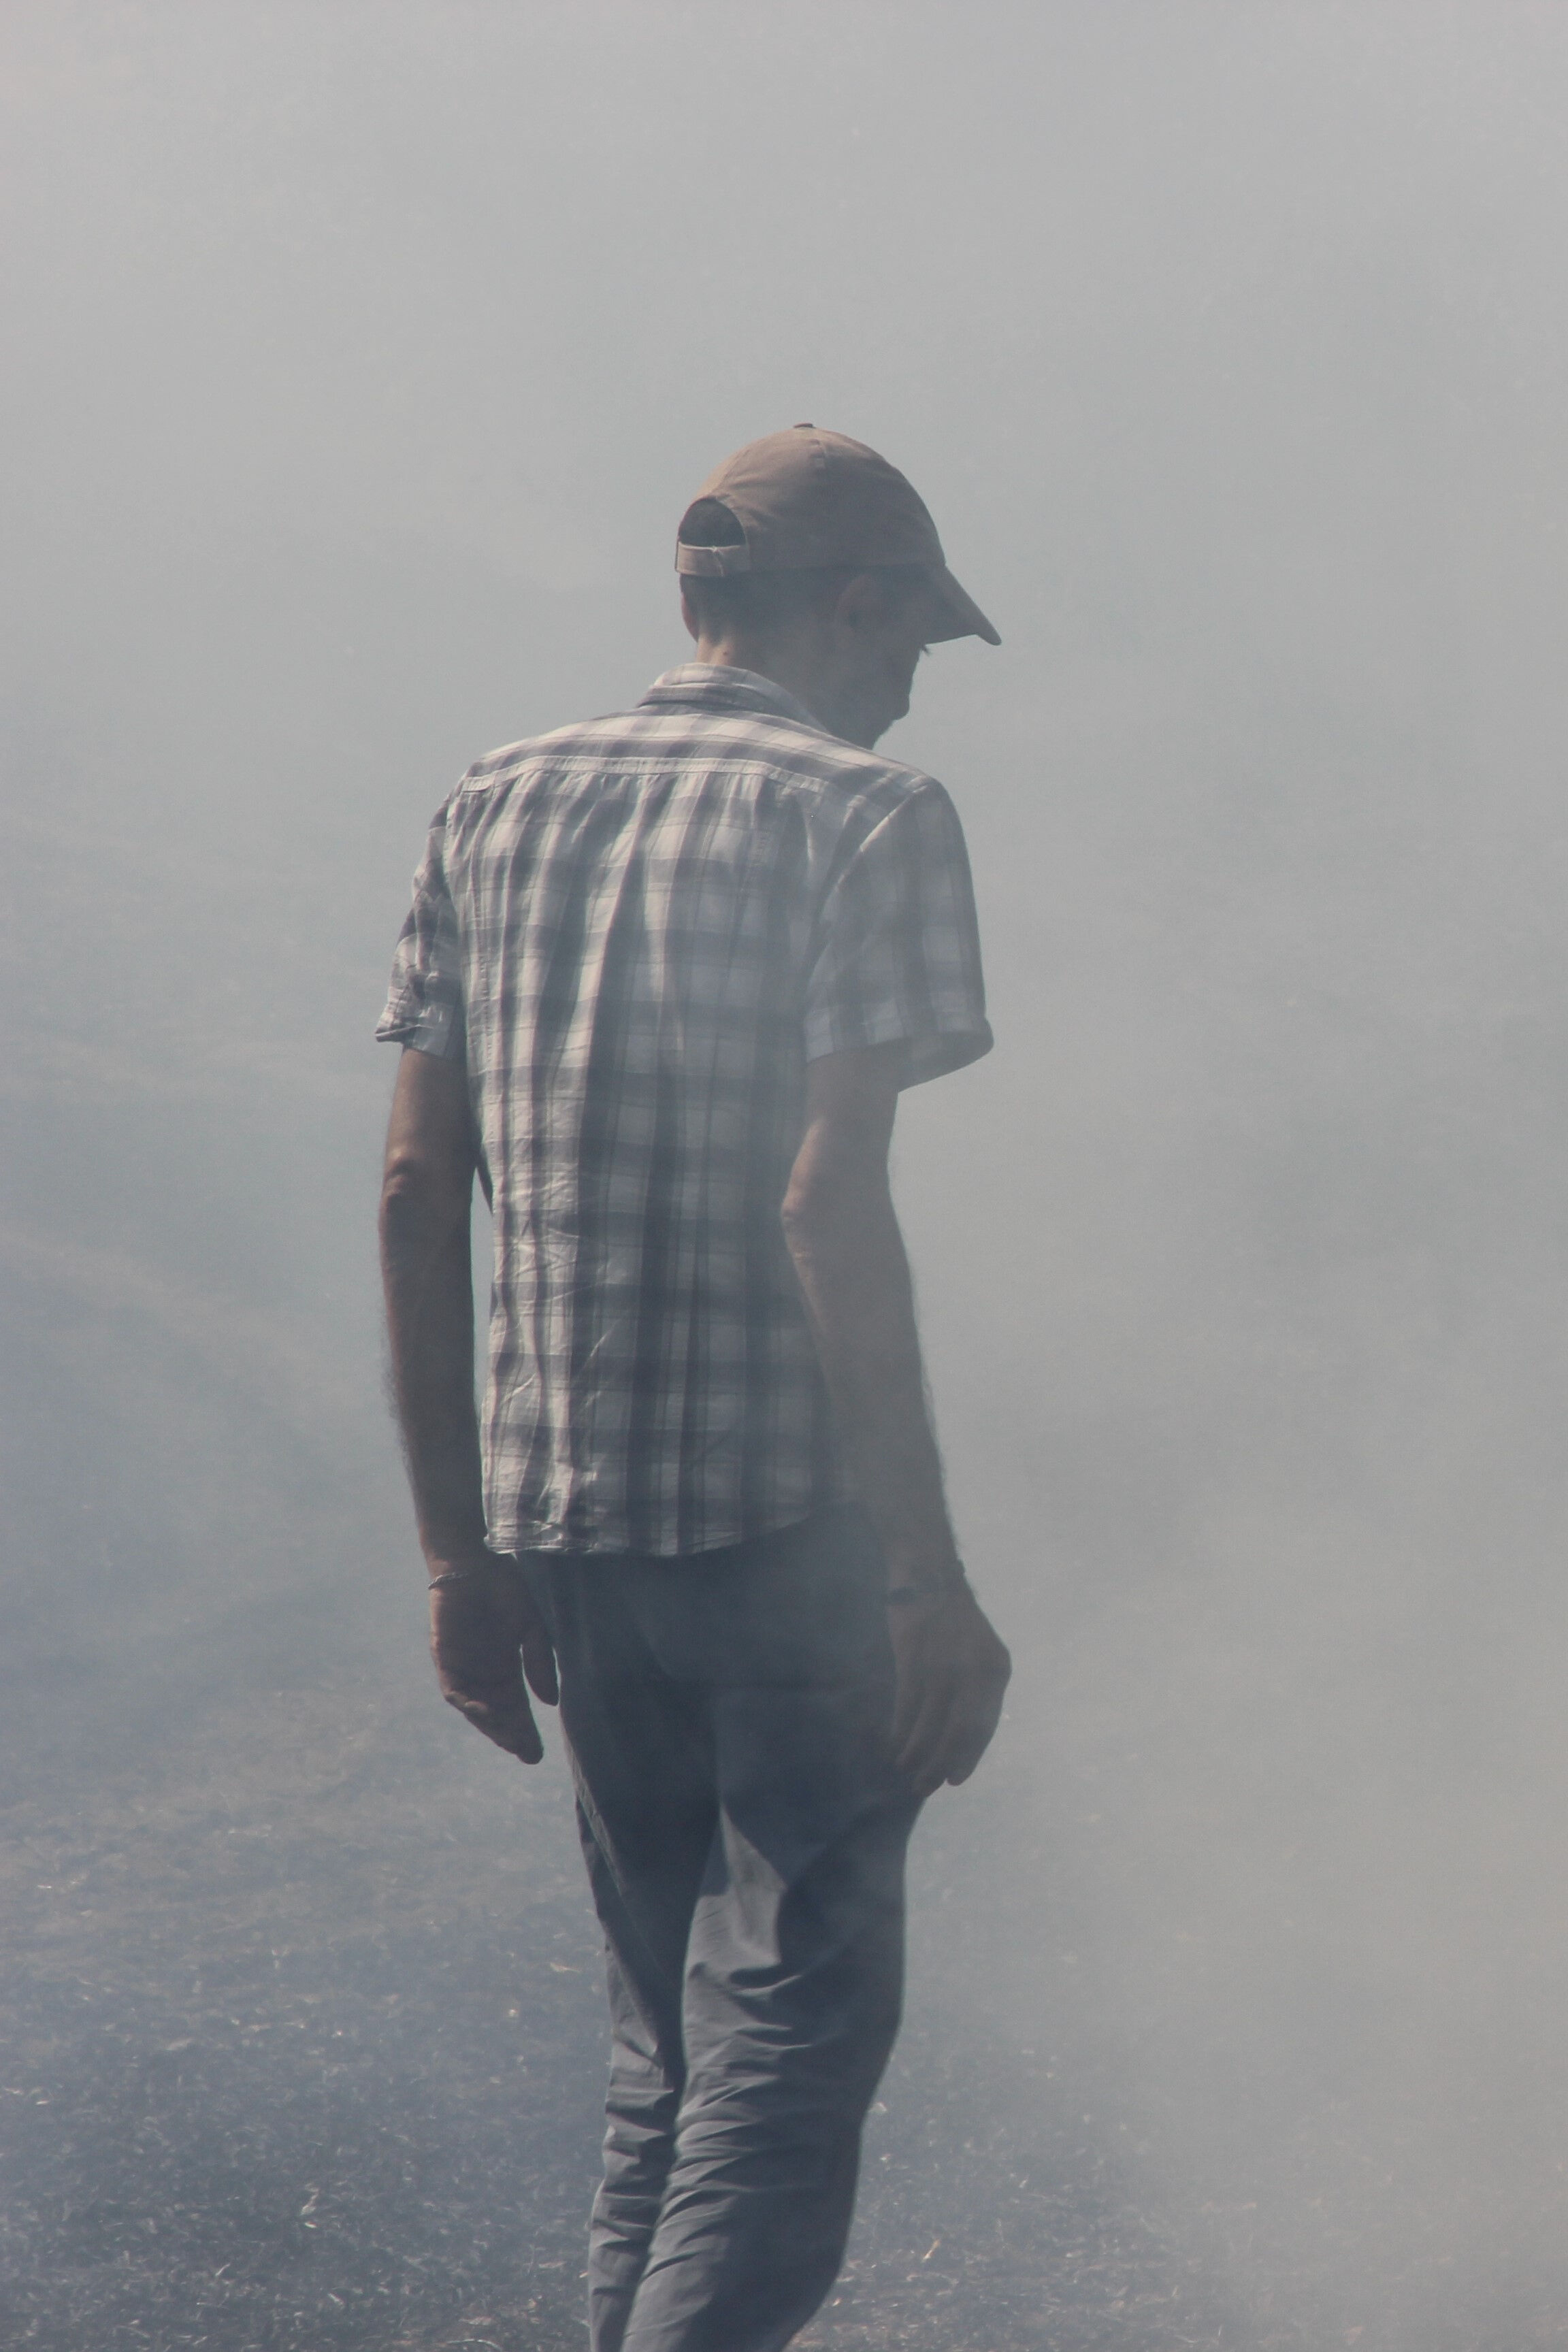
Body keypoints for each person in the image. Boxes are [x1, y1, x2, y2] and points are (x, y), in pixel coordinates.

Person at [374, 425, 1017, 2352]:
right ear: (854, 602)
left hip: (564, 1517)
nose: (915, 683)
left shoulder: (497, 798)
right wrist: (924, 1578)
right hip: (780, 1532)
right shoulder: (866, 816)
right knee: (788, 2049)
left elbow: (418, 1188)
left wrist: (452, 1558)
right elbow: (828, 1207)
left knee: (663, 2051)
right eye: (916, 636)